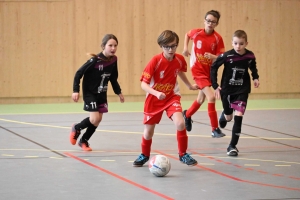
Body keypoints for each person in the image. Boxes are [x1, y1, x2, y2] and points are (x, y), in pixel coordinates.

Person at [133, 30, 199, 167]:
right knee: (148, 132)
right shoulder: (155, 61)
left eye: (173, 46)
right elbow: (143, 84)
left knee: (180, 123)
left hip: (171, 97)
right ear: (161, 46)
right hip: (154, 99)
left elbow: (179, 71)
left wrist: (189, 86)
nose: (171, 49)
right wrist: (156, 93)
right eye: (167, 46)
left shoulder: (179, 59)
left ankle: (183, 154)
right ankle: (144, 155)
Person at [70, 34, 125, 151]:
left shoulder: (114, 60)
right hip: (90, 93)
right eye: (110, 45)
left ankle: (84, 141)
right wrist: (76, 90)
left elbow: (113, 78)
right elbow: (78, 73)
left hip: (101, 93)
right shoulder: (94, 60)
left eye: (115, 45)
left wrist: (118, 92)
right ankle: (77, 127)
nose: (113, 48)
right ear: (103, 46)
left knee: (98, 120)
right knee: (94, 118)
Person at [210, 30, 260, 156]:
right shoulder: (226, 56)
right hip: (227, 90)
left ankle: (232, 146)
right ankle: (225, 114)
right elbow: (214, 67)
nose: (238, 46)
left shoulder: (250, 56)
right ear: (232, 43)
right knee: (229, 117)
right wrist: (215, 86)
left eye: (241, 44)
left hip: (242, 90)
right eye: (236, 43)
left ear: (246, 43)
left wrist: (255, 77)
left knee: (238, 117)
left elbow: (253, 67)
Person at [182, 10, 226, 138]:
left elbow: (221, 57)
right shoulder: (197, 33)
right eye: (208, 21)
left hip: (209, 72)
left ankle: (187, 115)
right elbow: (187, 34)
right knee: (211, 97)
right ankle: (214, 129)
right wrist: (185, 48)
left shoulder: (218, 38)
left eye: (213, 22)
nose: (210, 23)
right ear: (204, 21)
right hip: (197, 70)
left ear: (216, 24)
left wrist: (213, 56)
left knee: (200, 100)